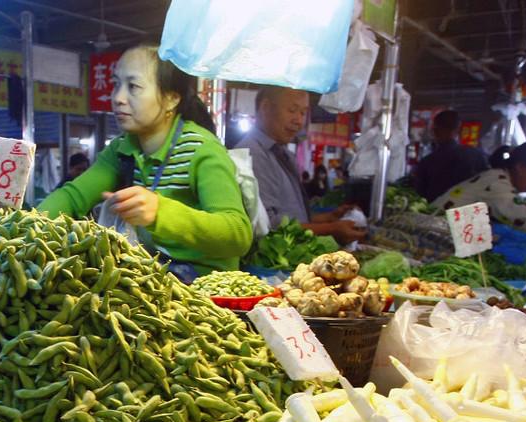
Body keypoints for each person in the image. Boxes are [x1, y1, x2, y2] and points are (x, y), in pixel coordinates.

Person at [38, 45, 251, 280]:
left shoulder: (202, 150)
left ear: (171, 98)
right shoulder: (122, 148)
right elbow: (73, 196)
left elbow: (237, 233)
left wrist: (160, 212)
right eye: (116, 84)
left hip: (205, 289)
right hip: (154, 278)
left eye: (134, 87)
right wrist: (27, 227)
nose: (118, 98)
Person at [237, 86, 365, 245]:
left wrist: (326, 219)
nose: (298, 120)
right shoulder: (252, 154)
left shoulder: (284, 154)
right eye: (292, 110)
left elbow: (290, 217)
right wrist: (331, 229)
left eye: (303, 113)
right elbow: (269, 225)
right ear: (266, 108)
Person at [431, 141, 526, 241]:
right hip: (432, 235)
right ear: (521, 167)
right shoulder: (497, 183)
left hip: (446, 233)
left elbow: (516, 205)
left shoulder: (498, 177)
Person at [410, 110, 489, 202]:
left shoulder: (427, 162)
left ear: (435, 130)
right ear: (458, 129)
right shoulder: (478, 155)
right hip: (471, 214)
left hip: (437, 213)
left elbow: (419, 195)